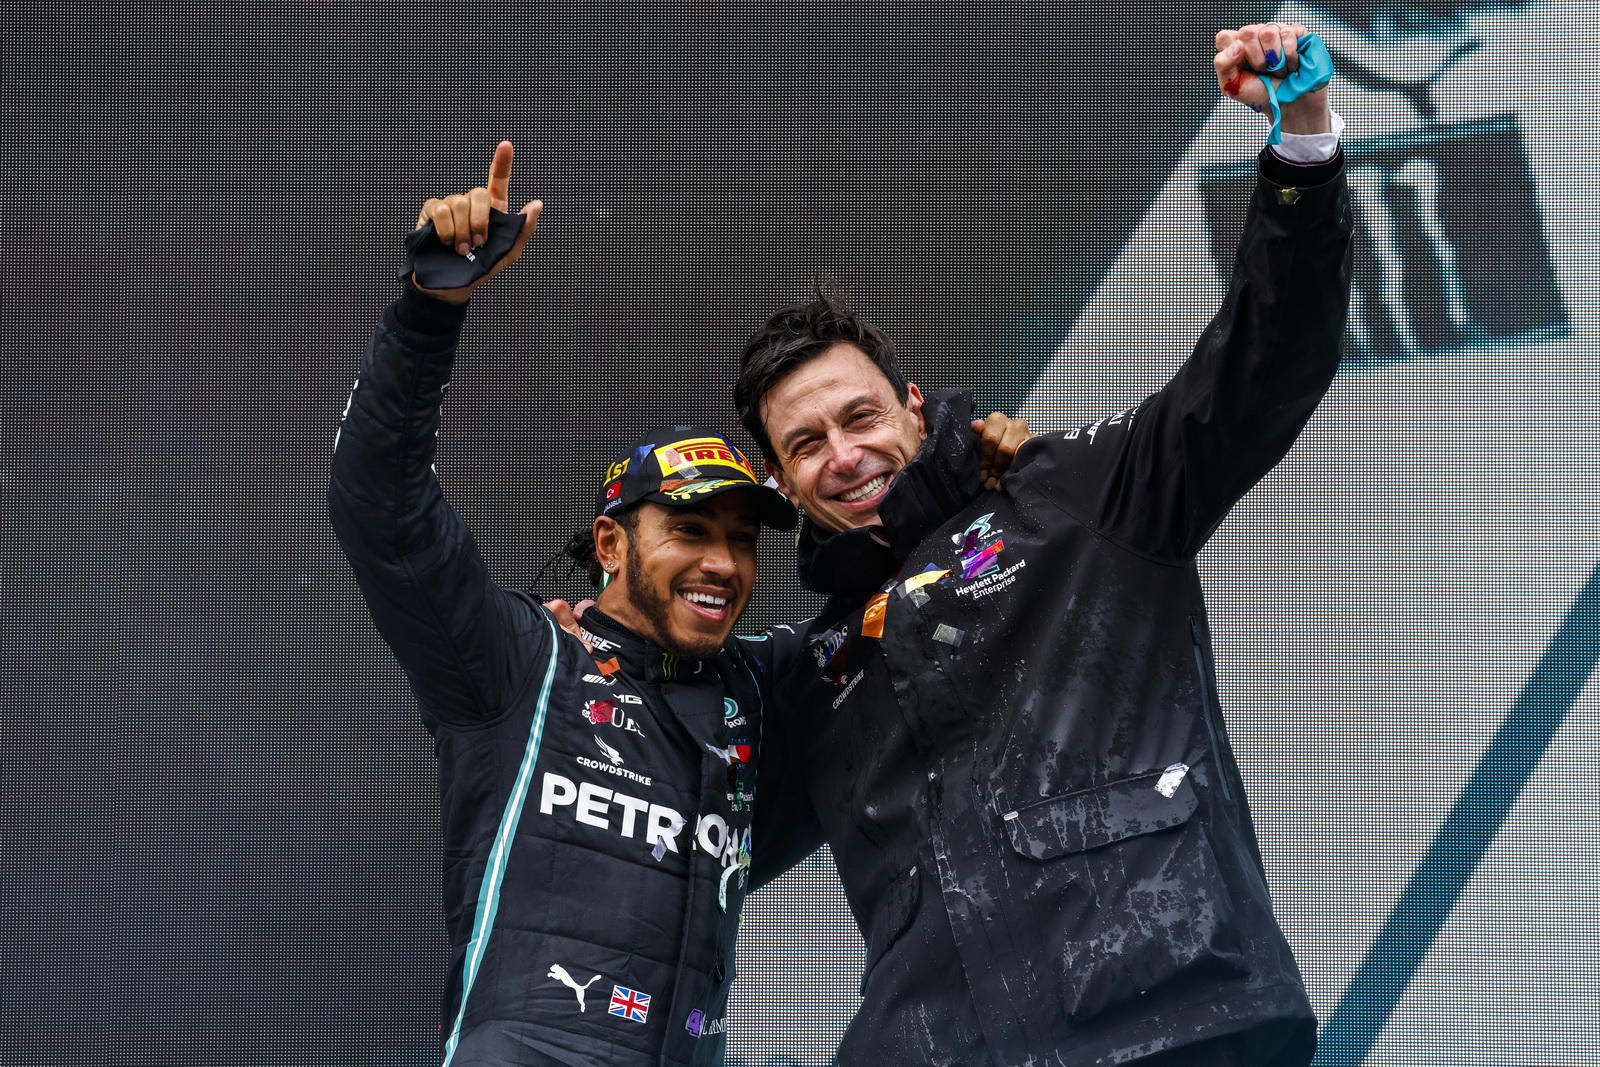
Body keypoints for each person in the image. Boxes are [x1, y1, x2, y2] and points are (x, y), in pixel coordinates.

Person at [737, 23, 1355, 1067]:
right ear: (782, 481)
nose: (843, 455)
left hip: (1167, 1017)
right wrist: (596, 647)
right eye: (806, 444)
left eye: (859, 417)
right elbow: (674, 840)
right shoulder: (812, 672)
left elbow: (1265, 361)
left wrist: (1300, 141)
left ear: (912, 407)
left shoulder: (1072, 490)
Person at [328, 143, 802, 1066]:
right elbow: (379, 505)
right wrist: (429, 314)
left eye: (743, 538)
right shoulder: (522, 662)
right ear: (612, 543)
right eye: (690, 529)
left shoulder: (763, 693)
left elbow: (899, 628)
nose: (721, 562)